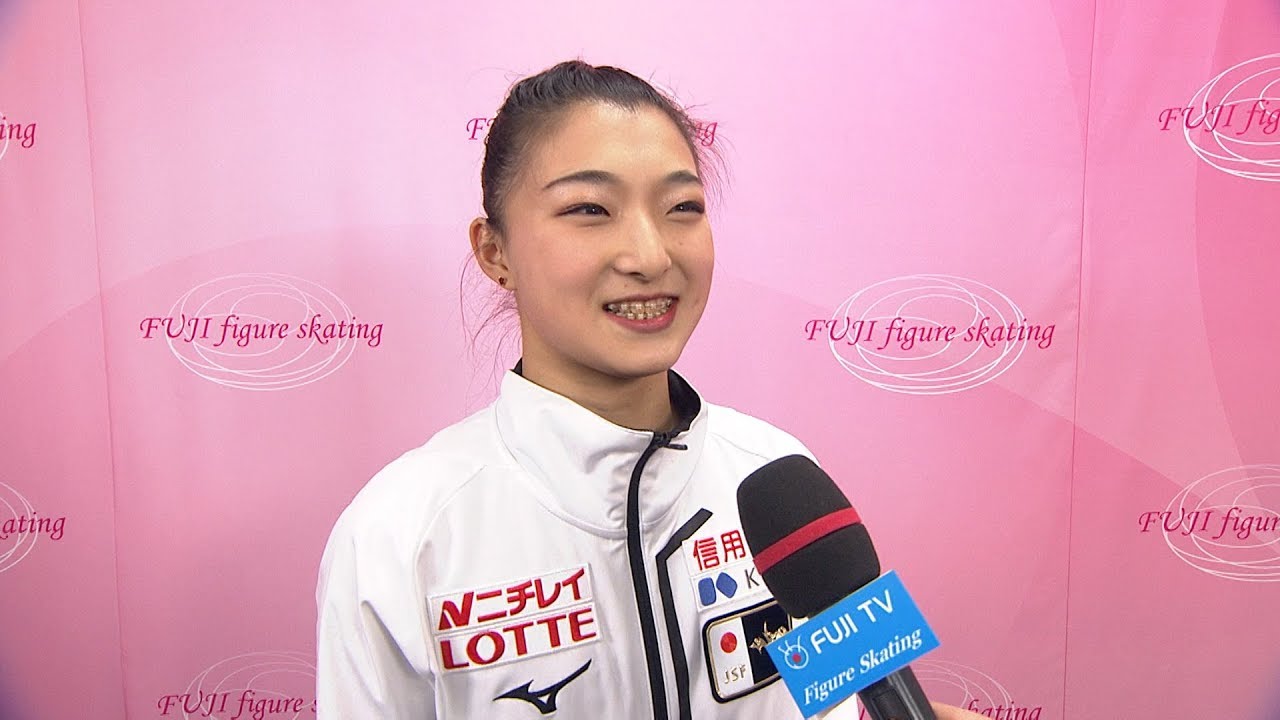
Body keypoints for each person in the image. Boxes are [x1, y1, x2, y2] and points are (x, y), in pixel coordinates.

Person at [316, 59, 986, 720]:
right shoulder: (401, 536)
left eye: (681, 208)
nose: (650, 255)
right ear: (495, 252)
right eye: (589, 209)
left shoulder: (779, 478)